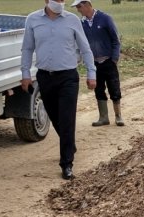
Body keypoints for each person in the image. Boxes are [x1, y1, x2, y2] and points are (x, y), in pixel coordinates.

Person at [20, 0, 96, 180]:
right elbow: (27, 48)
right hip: (45, 77)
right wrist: (25, 73)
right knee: (54, 116)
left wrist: (92, 73)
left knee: (67, 118)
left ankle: (66, 163)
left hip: (68, 77)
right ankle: (69, 142)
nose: (61, 2)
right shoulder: (32, 20)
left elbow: (85, 48)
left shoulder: (73, 20)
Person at [72, 0, 125, 127]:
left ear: (87, 5)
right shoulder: (81, 23)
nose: (78, 10)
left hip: (108, 61)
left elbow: (115, 40)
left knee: (114, 88)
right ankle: (103, 117)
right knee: (99, 89)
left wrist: (114, 58)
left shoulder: (105, 18)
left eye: (79, 6)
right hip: (93, 63)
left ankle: (118, 116)